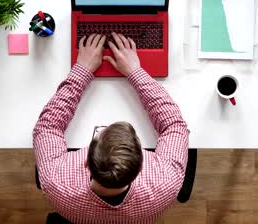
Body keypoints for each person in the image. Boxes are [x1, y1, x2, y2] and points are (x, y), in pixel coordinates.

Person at [33, 32, 189, 223]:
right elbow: (174, 124)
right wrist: (135, 71)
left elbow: (47, 127)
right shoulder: (166, 183)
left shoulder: (56, 183)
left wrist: (82, 70)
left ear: (86, 163)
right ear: (141, 165)